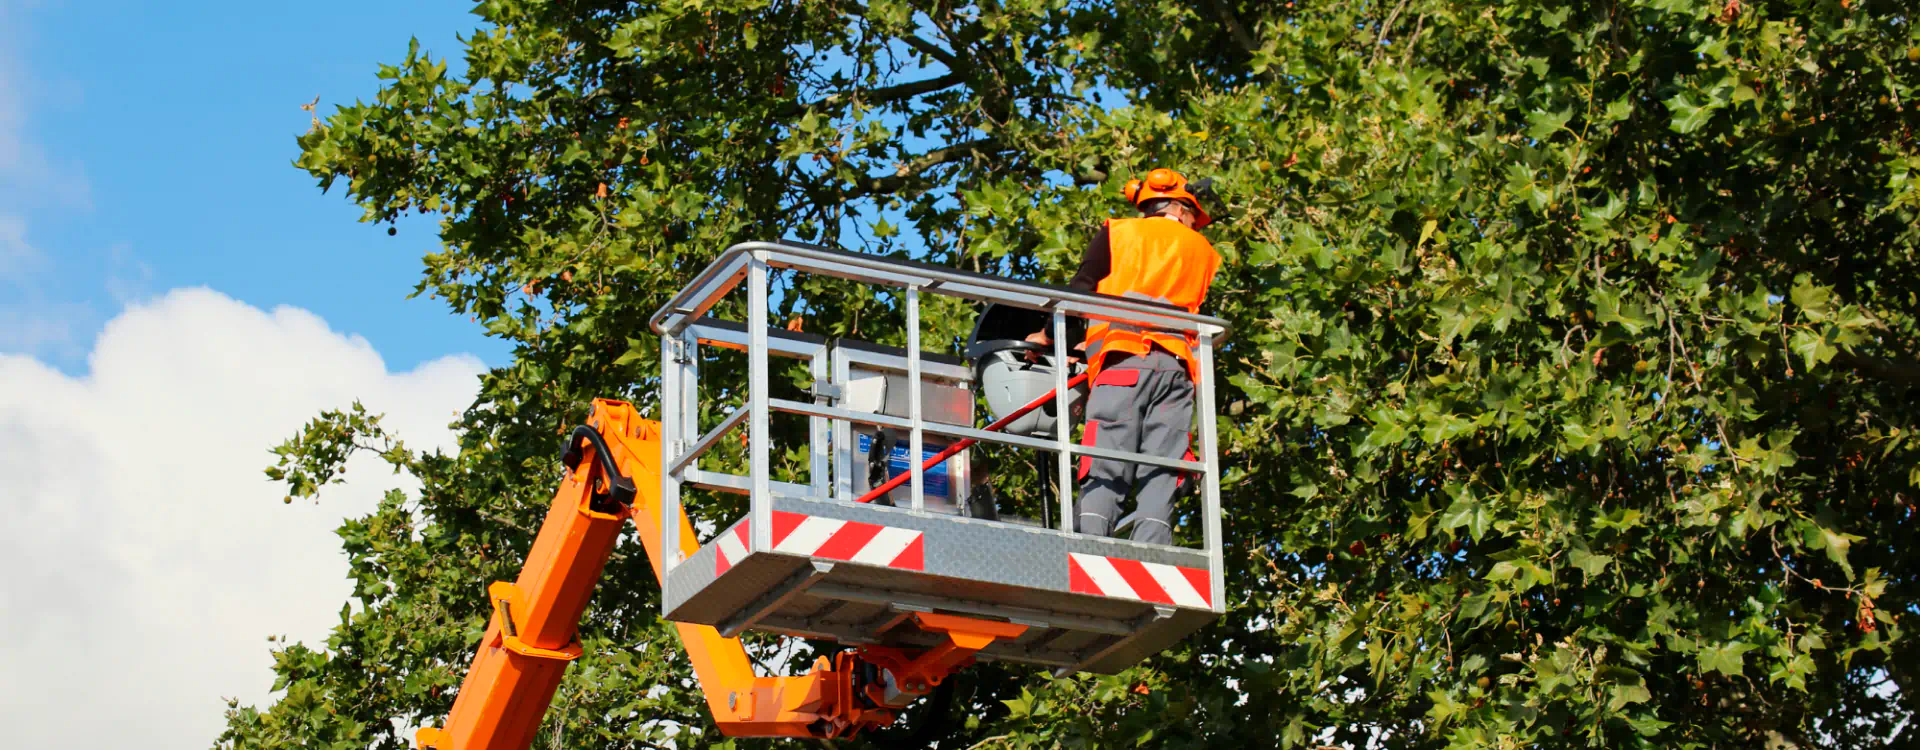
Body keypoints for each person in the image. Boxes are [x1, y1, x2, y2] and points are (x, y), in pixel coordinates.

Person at [1027, 168, 1222, 545]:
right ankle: (1153, 546)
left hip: (1124, 363)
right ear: (1181, 208)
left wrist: (1049, 337)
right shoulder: (1202, 251)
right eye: (1194, 216)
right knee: (1164, 463)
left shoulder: (1120, 232)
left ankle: (1091, 544)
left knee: (1108, 453)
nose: (1195, 223)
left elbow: (1080, 294)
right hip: (1177, 369)